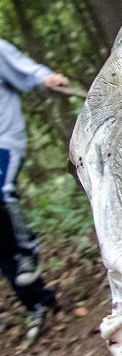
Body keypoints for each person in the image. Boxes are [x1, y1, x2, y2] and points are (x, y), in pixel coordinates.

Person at [0, 38, 66, 340]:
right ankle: (37, 301)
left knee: (1, 191)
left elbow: (23, 70)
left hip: (4, 142)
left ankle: (28, 253)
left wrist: (44, 77)